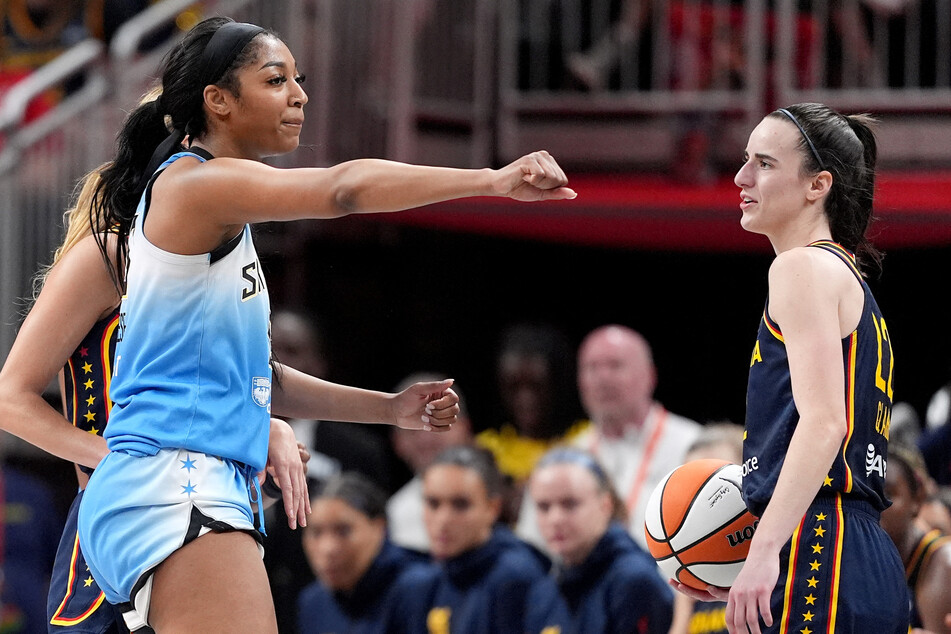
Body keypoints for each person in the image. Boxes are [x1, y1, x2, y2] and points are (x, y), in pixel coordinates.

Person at [49, 15, 570, 632]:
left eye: (299, 79)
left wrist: (389, 409)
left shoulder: (213, 213)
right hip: (176, 483)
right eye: (275, 80)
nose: (299, 95)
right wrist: (492, 180)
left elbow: (257, 376)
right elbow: (344, 188)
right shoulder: (197, 185)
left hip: (166, 488)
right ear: (218, 101)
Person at [0, 106, 307, 633]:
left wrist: (269, 425)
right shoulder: (114, 255)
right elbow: (10, 398)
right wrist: (124, 459)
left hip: (200, 504)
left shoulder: (215, 273)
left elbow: (247, 381)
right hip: (121, 517)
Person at [673, 103, 907, 634]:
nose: (740, 176)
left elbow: (825, 424)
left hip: (821, 543)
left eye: (764, 163)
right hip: (859, 553)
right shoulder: (845, 278)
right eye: (744, 159)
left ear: (817, 185)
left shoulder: (799, 267)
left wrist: (766, 552)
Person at [541, 324, 701, 550]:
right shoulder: (563, 460)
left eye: (615, 365)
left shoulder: (693, 446)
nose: (602, 378)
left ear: (650, 375)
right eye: (592, 368)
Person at [393, 445, 563, 633]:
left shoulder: (514, 576)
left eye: (460, 505)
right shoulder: (437, 574)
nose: (443, 520)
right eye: (433, 503)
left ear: (492, 508)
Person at [528, 446, 673, 634]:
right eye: (543, 507)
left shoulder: (634, 581)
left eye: (570, 504)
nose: (555, 519)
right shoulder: (544, 591)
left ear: (605, 505)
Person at [476, 322, 588, 525]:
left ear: (558, 383)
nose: (525, 398)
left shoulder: (587, 442)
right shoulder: (485, 451)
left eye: (536, 386)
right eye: (513, 387)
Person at [297, 472, 429, 634]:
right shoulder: (313, 602)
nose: (328, 548)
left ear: (379, 528)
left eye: (343, 531)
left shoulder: (420, 588)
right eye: (316, 532)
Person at [667, 422, 745, 634]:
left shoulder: (776, 561)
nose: (705, 496)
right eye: (693, 482)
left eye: (715, 479)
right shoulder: (686, 570)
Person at [387, 372, 474, 553]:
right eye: (413, 429)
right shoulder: (395, 513)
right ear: (397, 442)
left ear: (465, 428)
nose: (427, 440)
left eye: (438, 423)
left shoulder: (507, 492)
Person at [880, 444, 951, 634]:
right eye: (868, 494)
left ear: (917, 500)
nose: (877, 504)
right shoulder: (871, 557)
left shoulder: (944, 562)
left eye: (888, 493)